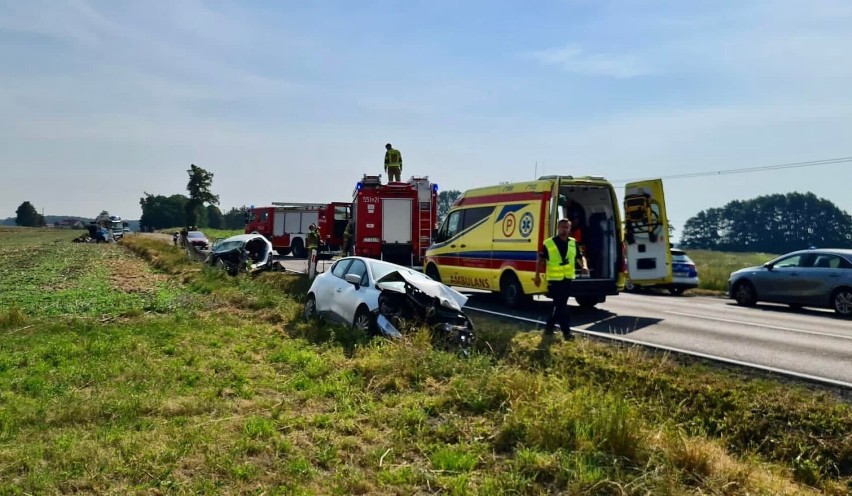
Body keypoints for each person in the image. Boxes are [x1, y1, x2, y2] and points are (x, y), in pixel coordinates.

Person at [533, 219, 589, 341]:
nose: (564, 230)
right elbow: (541, 261)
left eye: (567, 227)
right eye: (562, 227)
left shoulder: (573, 243)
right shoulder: (549, 243)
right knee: (562, 306)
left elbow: (580, 257)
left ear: (569, 229)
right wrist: (537, 276)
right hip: (554, 280)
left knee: (558, 305)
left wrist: (584, 266)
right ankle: (566, 333)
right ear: (558, 228)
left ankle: (549, 328)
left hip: (567, 279)